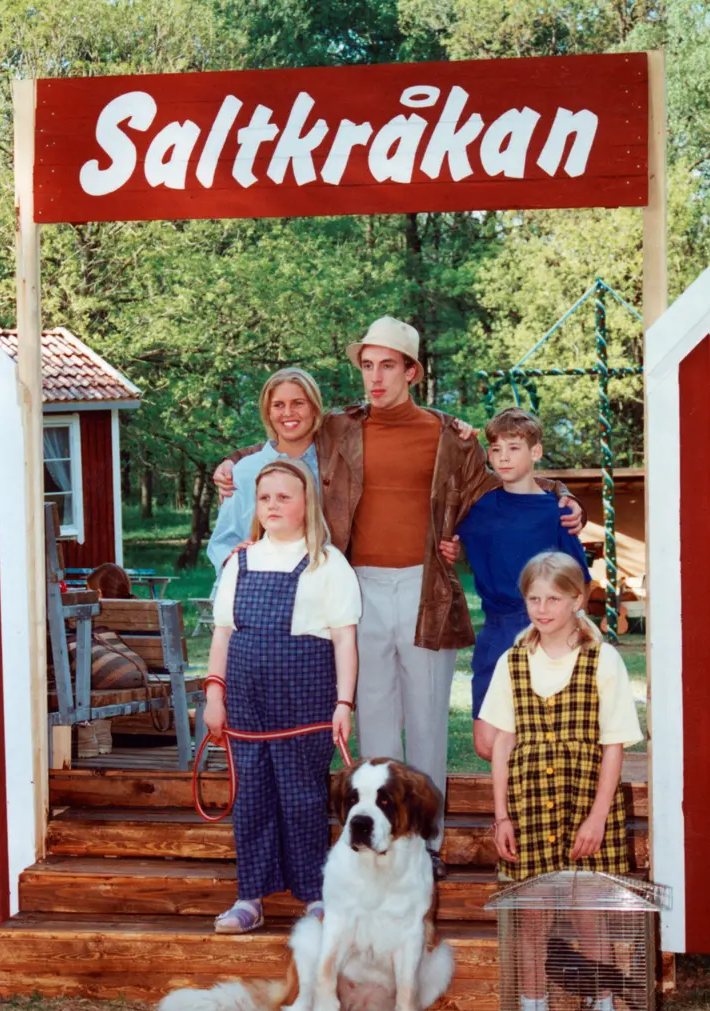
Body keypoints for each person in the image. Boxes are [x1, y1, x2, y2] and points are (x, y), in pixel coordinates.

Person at [213, 316, 584, 879]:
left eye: (388, 365)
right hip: (356, 588)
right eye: (366, 365)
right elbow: (288, 434)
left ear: (412, 370)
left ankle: (427, 850)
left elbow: (501, 481)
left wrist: (560, 492)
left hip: (425, 591)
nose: (375, 377)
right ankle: (382, 844)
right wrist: (237, 462)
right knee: (378, 727)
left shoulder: (446, 435)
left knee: (429, 724)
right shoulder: (341, 428)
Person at [481, 550, 642, 1011]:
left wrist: (597, 818)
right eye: (534, 598)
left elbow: (613, 746)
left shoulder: (602, 659)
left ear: (578, 599)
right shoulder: (513, 661)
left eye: (554, 598)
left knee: (589, 915)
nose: (543, 608)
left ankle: (604, 1010)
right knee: (532, 919)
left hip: (584, 805)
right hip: (528, 809)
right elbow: (502, 742)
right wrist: (501, 815)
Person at [204, 460, 361, 933]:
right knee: (251, 796)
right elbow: (222, 634)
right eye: (265, 497)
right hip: (247, 702)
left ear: (306, 503)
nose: (273, 505)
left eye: (284, 497)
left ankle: (316, 895)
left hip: (306, 699)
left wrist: (343, 703)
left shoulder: (328, 564)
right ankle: (249, 896)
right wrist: (216, 694)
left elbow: (345, 640)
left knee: (302, 799)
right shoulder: (240, 561)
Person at [441, 407, 591, 763]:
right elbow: (459, 541)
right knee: (488, 744)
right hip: (497, 634)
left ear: (535, 452)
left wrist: (567, 634)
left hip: (547, 635)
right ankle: (505, 814)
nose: (503, 458)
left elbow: (582, 584)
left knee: (548, 742)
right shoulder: (478, 508)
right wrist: (456, 548)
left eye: (514, 448)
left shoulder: (557, 512)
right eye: (496, 450)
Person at [207, 368, 324, 578]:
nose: (288, 413)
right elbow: (222, 542)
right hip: (253, 589)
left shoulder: (330, 468)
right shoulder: (244, 471)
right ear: (267, 413)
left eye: (298, 403)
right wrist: (232, 559)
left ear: (314, 408)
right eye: (278, 405)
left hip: (314, 589)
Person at [76, 562, 135, 758]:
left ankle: (88, 734)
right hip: (142, 672)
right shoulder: (141, 609)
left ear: (98, 593)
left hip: (111, 674)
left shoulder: (97, 617)